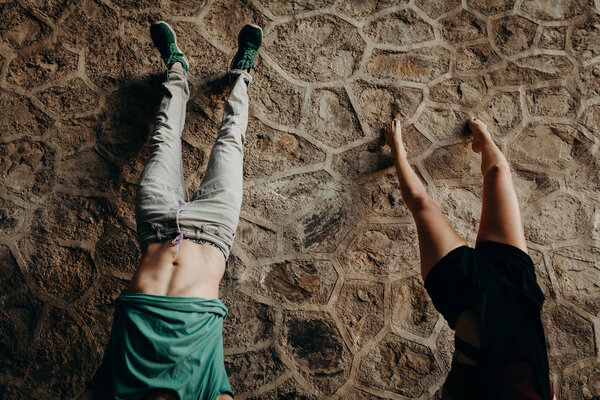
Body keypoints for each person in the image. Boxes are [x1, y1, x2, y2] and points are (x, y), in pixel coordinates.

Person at [79, 21, 263, 400]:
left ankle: (176, 69)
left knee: (163, 136)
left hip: (157, 226)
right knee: (230, 143)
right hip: (213, 230)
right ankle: (243, 73)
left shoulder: (114, 390)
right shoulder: (204, 392)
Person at [383, 118, 554, 399]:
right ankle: (482, 138)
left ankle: (396, 150)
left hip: (463, 288)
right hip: (516, 282)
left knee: (420, 203)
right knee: (498, 171)